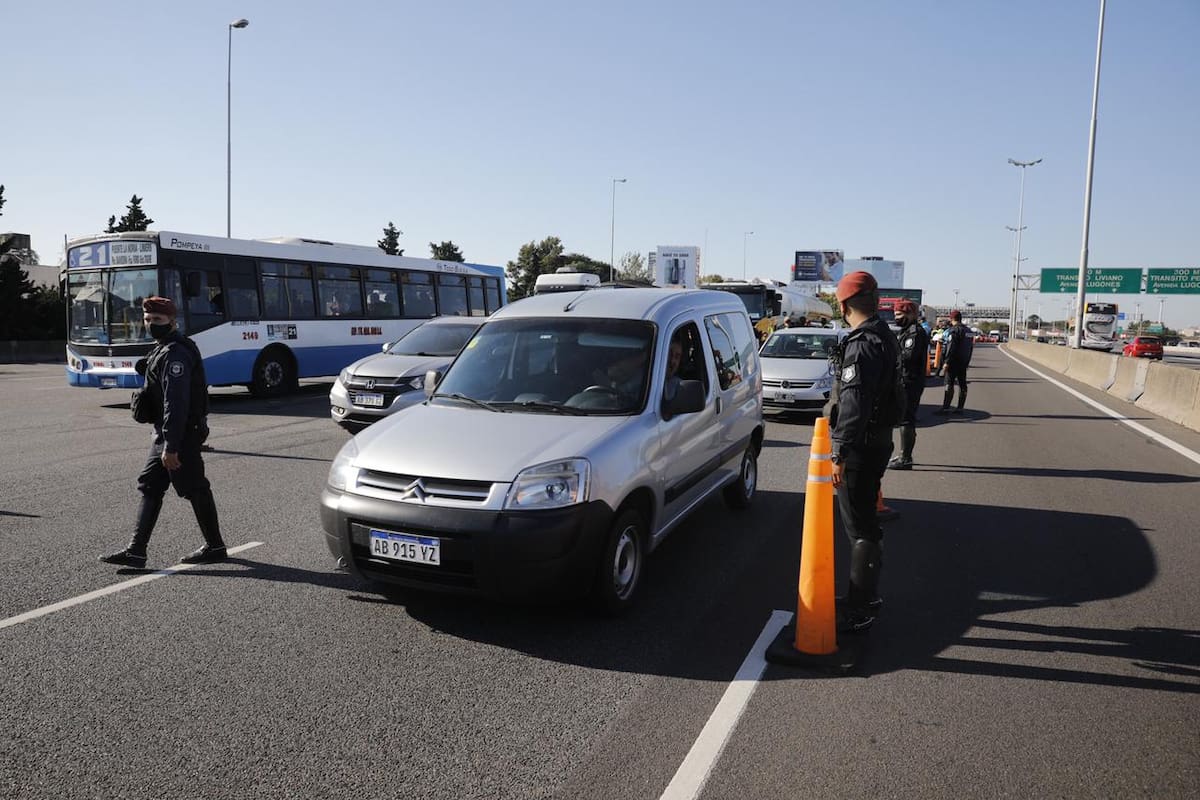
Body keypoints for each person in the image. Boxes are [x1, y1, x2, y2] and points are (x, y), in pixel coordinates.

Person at [100, 296, 227, 568]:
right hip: (167, 433)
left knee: (194, 488)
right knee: (150, 486)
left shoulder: (175, 353)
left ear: (172, 321)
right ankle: (136, 551)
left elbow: (176, 401)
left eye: (157, 320)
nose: (150, 324)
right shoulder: (163, 348)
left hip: (179, 434)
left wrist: (171, 445)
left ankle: (215, 546)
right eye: (147, 320)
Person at [825, 270, 900, 633]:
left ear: (843, 305)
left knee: (859, 527)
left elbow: (853, 404)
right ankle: (864, 596)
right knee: (866, 521)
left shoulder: (862, 343)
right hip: (878, 440)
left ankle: (861, 605)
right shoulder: (884, 336)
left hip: (861, 446)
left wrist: (838, 451)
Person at [888, 299, 931, 469]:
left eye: (899, 314)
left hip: (910, 381)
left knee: (906, 419)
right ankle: (903, 455)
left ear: (910, 314)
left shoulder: (914, 332)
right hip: (904, 379)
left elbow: (908, 356)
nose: (896, 317)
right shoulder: (905, 331)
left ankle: (905, 458)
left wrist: (890, 353)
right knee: (903, 418)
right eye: (895, 314)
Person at [935, 309, 972, 415]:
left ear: (951, 319)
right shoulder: (969, 331)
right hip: (964, 361)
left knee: (949, 383)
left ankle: (945, 408)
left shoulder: (954, 330)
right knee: (962, 384)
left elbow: (951, 347)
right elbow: (970, 348)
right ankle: (960, 408)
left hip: (954, 361)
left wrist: (946, 362)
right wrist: (967, 361)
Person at [663, 337, 683, 402]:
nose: (672, 360)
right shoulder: (645, 379)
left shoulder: (679, 387)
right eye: (669, 354)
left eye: (677, 357)